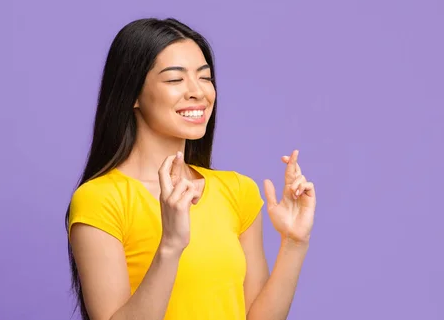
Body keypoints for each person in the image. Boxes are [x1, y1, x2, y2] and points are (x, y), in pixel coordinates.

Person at [65, 18, 316, 320]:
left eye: (205, 77)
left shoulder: (237, 191)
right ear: (132, 94)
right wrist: (171, 244)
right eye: (175, 79)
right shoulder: (99, 200)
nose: (198, 91)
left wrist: (294, 243)